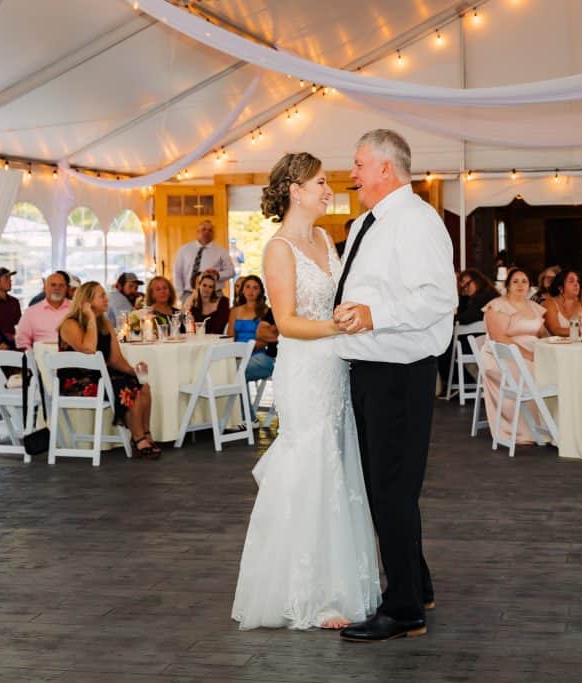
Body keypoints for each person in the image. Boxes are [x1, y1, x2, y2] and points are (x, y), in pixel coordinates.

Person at [232, 152, 380, 632]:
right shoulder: (278, 249)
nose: (328, 188)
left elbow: (334, 299)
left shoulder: (321, 237)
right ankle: (309, 593)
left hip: (335, 366)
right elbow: (288, 322)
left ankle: (340, 582)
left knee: (335, 466)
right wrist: (338, 329)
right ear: (295, 189)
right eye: (320, 181)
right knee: (311, 469)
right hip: (305, 370)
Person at [333, 130, 457, 642]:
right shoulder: (369, 220)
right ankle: (417, 583)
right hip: (370, 371)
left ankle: (405, 608)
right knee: (388, 489)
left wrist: (373, 314)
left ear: (387, 168)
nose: (353, 173)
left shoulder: (418, 221)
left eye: (360, 164)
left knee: (392, 490)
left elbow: (438, 298)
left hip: (399, 375)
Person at [58, 282, 159, 459]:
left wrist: (133, 371)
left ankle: (145, 433)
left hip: (101, 376)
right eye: (101, 296)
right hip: (78, 381)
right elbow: (88, 350)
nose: (107, 299)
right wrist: (89, 317)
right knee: (127, 388)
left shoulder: (105, 324)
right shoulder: (70, 324)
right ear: (87, 301)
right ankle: (138, 438)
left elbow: (115, 359)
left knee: (142, 385)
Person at [480, 267, 547, 444]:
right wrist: (526, 354)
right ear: (508, 285)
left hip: (532, 352)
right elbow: (499, 337)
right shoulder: (498, 306)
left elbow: (541, 334)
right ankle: (528, 430)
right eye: (515, 281)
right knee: (531, 372)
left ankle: (551, 425)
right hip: (503, 354)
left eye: (524, 281)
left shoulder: (534, 307)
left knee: (554, 369)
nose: (520, 285)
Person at [437, 268, 496, 391]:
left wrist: (446, 320)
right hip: (482, 342)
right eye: (463, 287)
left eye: (467, 284)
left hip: (483, 343)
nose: (465, 288)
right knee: (446, 347)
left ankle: (456, 385)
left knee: (444, 348)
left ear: (478, 280)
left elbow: (466, 317)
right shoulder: (479, 296)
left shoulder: (484, 297)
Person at [229, 275, 276, 382]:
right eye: (248, 287)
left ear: (260, 291)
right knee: (226, 370)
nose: (251, 291)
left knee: (234, 373)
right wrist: (235, 355)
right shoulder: (234, 311)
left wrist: (244, 352)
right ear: (242, 290)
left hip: (259, 356)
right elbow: (231, 338)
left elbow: (265, 341)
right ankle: (243, 399)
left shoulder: (266, 311)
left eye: (255, 288)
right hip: (237, 355)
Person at [174, 219, 235, 301]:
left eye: (210, 230)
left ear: (213, 234)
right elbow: (177, 272)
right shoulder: (184, 250)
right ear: (197, 231)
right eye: (203, 229)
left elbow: (231, 271)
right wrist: (180, 294)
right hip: (189, 294)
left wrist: (217, 275)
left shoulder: (221, 251)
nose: (207, 232)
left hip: (214, 295)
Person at [15, 272, 71, 349]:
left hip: (72, 358)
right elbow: (22, 341)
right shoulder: (31, 312)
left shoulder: (77, 309)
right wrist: (32, 358)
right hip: (40, 358)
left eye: (61, 285)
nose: (57, 288)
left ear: (67, 288)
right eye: (53, 285)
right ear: (44, 288)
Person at [543, 269, 582, 337]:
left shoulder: (581, 304)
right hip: (554, 346)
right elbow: (556, 331)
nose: (576, 284)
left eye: (577, 281)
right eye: (571, 281)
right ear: (560, 287)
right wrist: (581, 331)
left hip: (576, 346)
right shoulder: (549, 304)